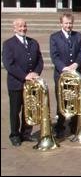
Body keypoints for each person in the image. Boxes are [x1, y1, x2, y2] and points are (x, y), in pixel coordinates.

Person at [2, 18, 42, 146]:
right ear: (14, 28)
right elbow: (9, 64)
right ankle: (14, 135)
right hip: (16, 83)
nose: (22, 28)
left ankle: (26, 133)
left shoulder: (33, 42)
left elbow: (40, 61)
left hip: (31, 83)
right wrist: (25, 76)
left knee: (29, 109)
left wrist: (35, 73)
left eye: (24, 26)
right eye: (19, 26)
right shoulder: (8, 44)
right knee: (15, 110)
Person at [49, 13, 81, 138]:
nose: (68, 25)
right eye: (66, 23)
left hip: (75, 73)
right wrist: (64, 68)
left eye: (70, 23)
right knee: (62, 101)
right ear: (61, 24)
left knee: (75, 99)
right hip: (61, 74)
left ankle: (74, 126)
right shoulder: (54, 37)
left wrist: (75, 65)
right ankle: (60, 127)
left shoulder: (78, 36)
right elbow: (54, 56)